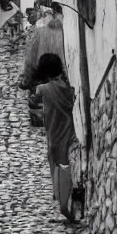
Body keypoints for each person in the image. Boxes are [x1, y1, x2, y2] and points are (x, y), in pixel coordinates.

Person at [34, 53, 80, 221]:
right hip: (68, 135)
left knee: (60, 167)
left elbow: (35, 95)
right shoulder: (68, 89)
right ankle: (65, 204)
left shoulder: (44, 89)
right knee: (65, 166)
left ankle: (63, 205)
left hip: (54, 137)